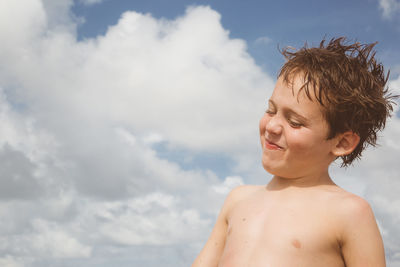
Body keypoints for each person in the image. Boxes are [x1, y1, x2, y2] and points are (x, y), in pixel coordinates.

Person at [191, 37, 398, 267]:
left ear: (342, 143)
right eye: (271, 110)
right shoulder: (238, 199)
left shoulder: (349, 212)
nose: (271, 126)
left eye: (295, 122)